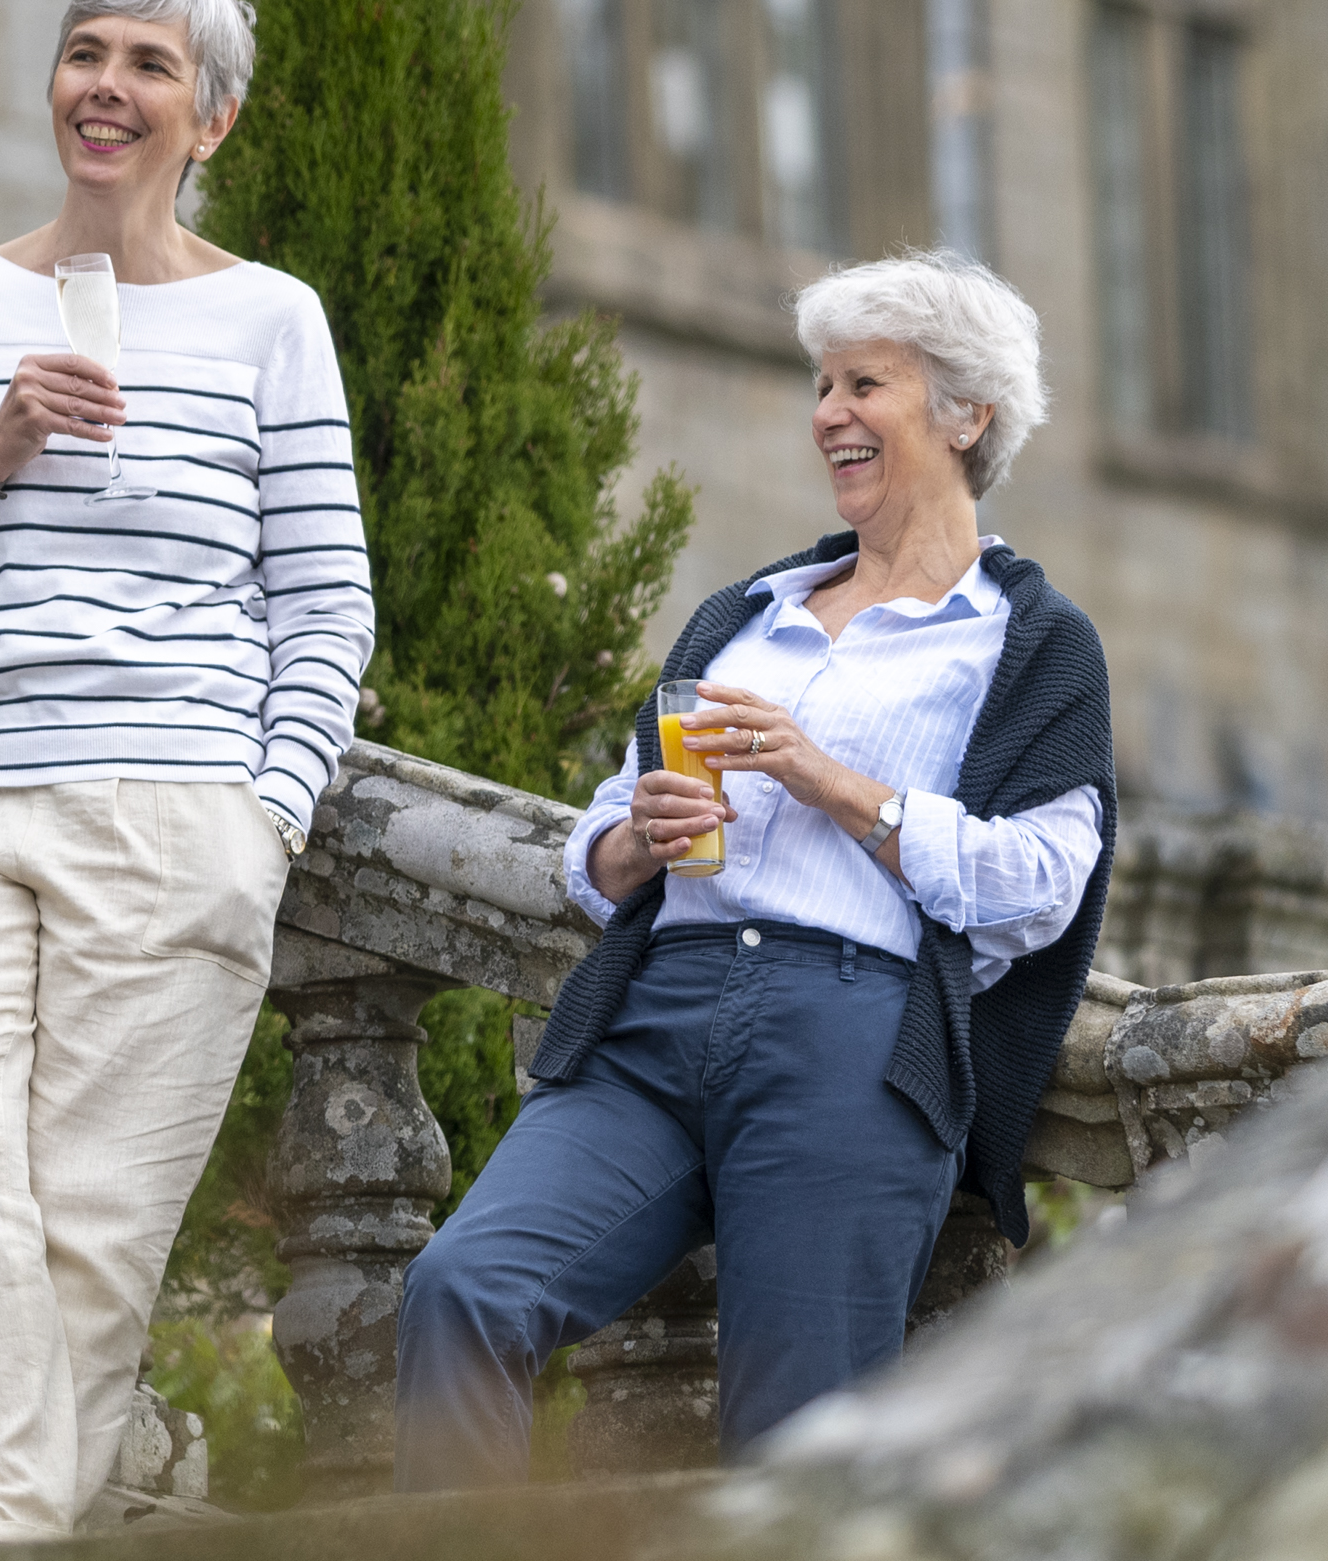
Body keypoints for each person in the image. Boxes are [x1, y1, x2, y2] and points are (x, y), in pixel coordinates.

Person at [0, 0, 368, 1542]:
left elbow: (325, 610)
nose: (106, 84)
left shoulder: (272, 322)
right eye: (83, 53)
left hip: (183, 813)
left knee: (98, 1248)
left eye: (151, 65)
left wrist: (269, 815)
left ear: (214, 120)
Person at [390, 253, 1115, 1478]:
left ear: (965, 415)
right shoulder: (747, 613)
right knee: (463, 1288)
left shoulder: (1030, 641)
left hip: (855, 1036)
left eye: (863, 383)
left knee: (796, 1438)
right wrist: (635, 838)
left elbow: (1042, 884)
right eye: (821, 384)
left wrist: (828, 779)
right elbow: (601, 842)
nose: (828, 413)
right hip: (657, 1015)